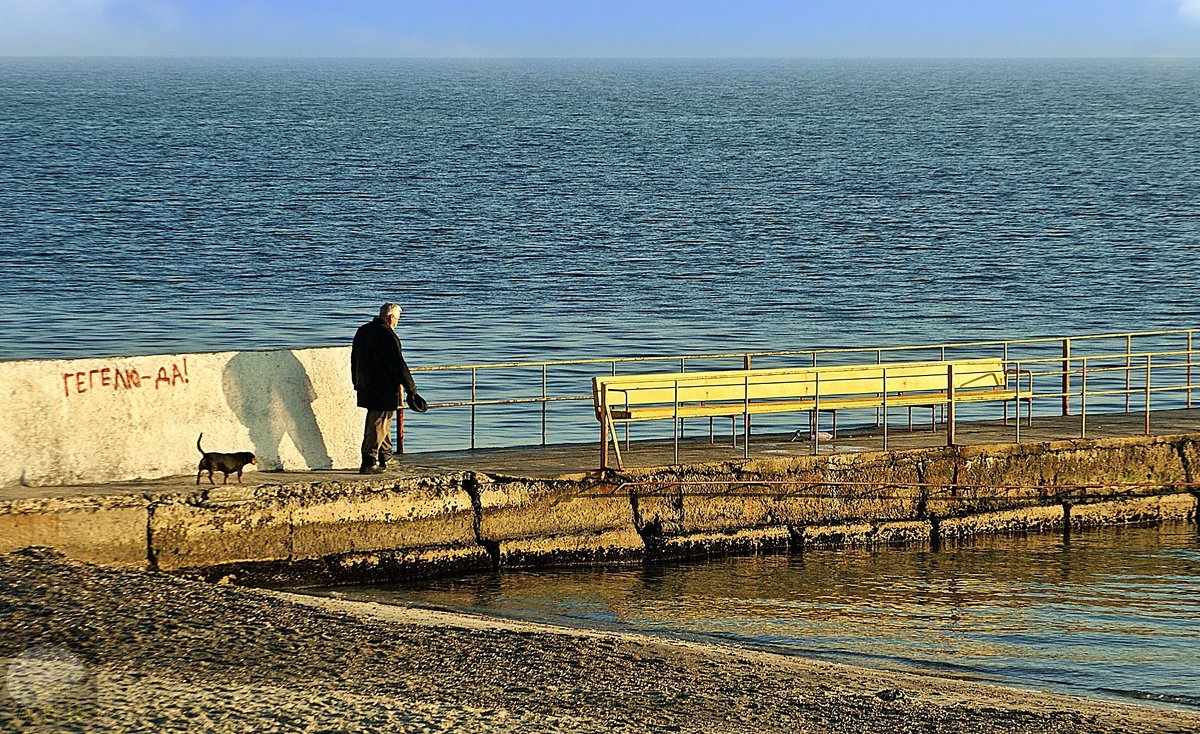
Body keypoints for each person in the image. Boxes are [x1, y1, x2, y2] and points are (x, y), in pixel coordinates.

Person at [351, 303, 428, 474]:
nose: (397, 323)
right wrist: (412, 389)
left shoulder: (363, 331)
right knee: (379, 422)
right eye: (397, 320)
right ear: (391, 317)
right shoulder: (387, 334)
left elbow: (354, 357)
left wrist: (356, 382)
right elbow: (398, 364)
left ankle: (385, 456)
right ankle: (369, 460)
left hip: (364, 384)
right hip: (383, 386)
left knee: (382, 421)